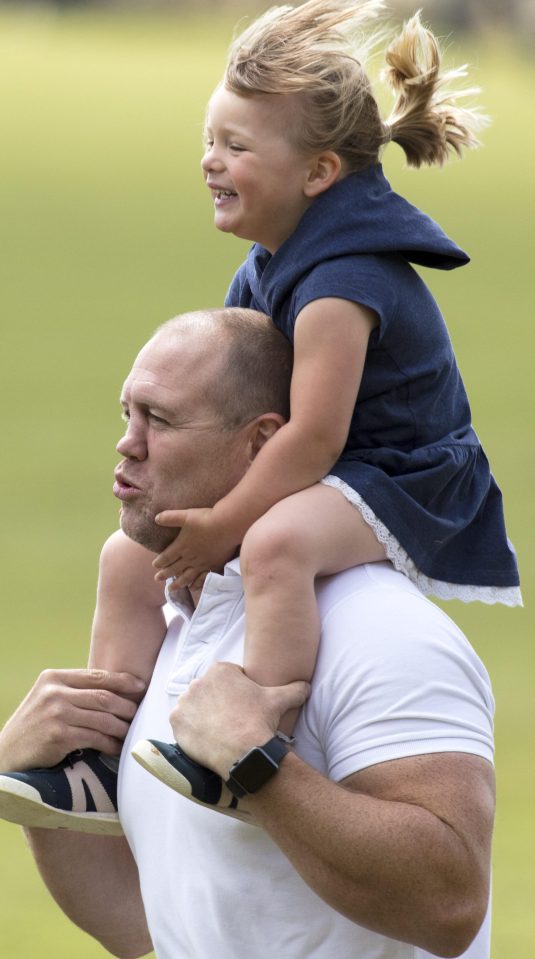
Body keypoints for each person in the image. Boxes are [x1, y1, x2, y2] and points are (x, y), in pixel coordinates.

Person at [0, 0, 520, 821]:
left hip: (402, 477)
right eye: (209, 139)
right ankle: (97, 759)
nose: (210, 161)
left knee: (276, 541)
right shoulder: (269, 263)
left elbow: (312, 435)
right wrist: (187, 508)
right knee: (126, 557)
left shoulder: (341, 282)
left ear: (317, 173)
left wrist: (225, 521)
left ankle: (250, 735)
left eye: (235, 147)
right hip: (335, 465)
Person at [0, 309, 496, 958]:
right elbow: (136, 922)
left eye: (161, 419)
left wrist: (257, 765)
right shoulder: (177, 624)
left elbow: (449, 904)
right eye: (127, 413)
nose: (128, 442)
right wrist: (32, 778)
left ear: (262, 441)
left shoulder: (381, 631)